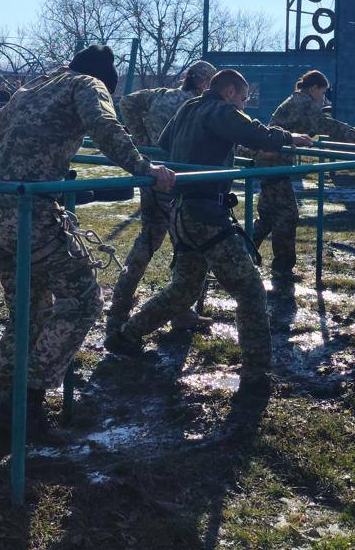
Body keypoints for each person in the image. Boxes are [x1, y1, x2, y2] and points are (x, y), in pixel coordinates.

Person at [0, 45, 175, 441]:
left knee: (28, 314)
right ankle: (28, 405)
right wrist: (145, 169)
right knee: (84, 301)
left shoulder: (35, 87)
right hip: (30, 215)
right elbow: (105, 126)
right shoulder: (87, 84)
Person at [107, 69, 313, 388]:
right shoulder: (220, 109)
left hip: (181, 211)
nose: (244, 106)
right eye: (243, 99)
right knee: (249, 289)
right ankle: (258, 371)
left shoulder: (189, 108)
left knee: (185, 289)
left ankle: (127, 334)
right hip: (206, 213)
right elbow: (254, 133)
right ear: (230, 93)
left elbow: (164, 141)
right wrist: (289, 137)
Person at [106, 59, 216, 339]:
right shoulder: (197, 106)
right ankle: (180, 309)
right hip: (181, 178)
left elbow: (128, 102)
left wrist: (143, 143)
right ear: (204, 83)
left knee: (147, 240)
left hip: (154, 172)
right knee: (188, 244)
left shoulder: (161, 95)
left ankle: (119, 306)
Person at [253, 70, 355, 278]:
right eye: (323, 92)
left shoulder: (296, 100)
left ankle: (241, 252)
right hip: (275, 163)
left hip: (270, 162)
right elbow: (326, 124)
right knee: (287, 215)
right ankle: (281, 268)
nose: (323, 98)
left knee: (267, 217)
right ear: (313, 88)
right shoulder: (304, 102)